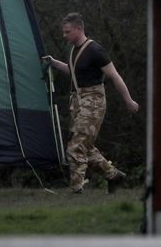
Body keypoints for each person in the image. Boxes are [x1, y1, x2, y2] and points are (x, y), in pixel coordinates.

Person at [44, 12, 139, 194]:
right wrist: (54, 62)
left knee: (76, 145)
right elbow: (73, 71)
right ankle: (113, 175)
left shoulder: (96, 51)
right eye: (64, 32)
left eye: (67, 32)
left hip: (94, 102)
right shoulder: (74, 50)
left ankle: (76, 189)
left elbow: (115, 76)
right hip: (79, 102)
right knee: (84, 145)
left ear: (79, 29)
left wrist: (128, 100)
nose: (64, 36)